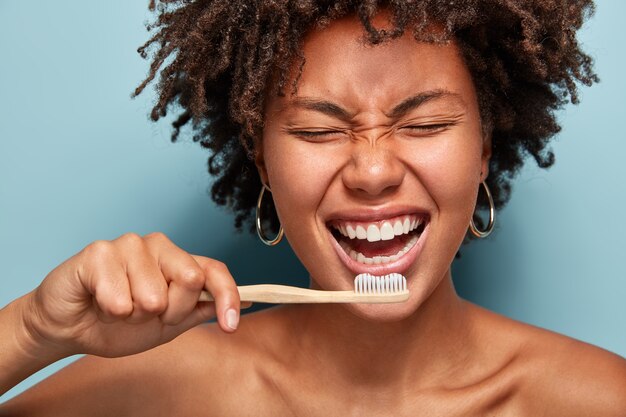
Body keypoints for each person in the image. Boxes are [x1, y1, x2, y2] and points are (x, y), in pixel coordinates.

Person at [1, 1, 625, 415]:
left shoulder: (596, 399)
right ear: (262, 159)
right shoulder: (163, 387)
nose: (373, 171)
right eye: (319, 132)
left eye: (426, 122)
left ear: (483, 148)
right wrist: (31, 330)